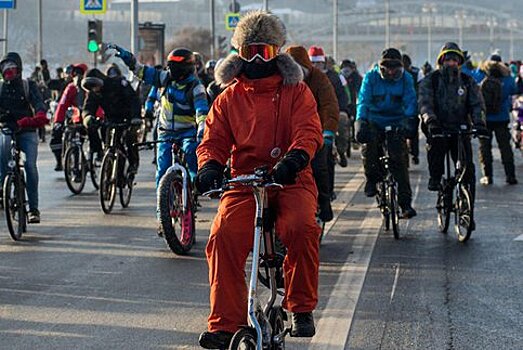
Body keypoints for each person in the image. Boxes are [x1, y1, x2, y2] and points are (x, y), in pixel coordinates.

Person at [195, 11, 323, 349]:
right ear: (237, 53)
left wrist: (295, 158)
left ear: (277, 52)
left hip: (290, 179)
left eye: (263, 52)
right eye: (248, 51)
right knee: (222, 236)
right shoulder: (228, 98)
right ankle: (226, 323)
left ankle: (300, 306)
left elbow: (308, 130)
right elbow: (214, 139)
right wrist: (209, 166)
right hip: (245, 181)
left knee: (301, 227)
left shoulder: (296, 91)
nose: (255, 59)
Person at [110, 45, 209, 187]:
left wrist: (202, 130)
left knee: (191, 154)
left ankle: (194, 187)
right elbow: (142, 71)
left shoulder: (196, 87)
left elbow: (202, 111)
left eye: (175, 66)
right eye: (170, 66)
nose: (171, 70)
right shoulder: (164, 78)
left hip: (188, 133)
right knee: (162, 170)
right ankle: (161, 207)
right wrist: (129, 59)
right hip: (165, 132)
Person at [419, 42, 487, 229]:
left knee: (468, 171)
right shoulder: (431, 80)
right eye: (448, 59)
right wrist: (430, 121)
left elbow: (477, 104)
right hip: (438, 127)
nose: (451, 63)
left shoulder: (467, 81)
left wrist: (480, 123)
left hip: (460, 128)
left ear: (460, 62)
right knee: (436, 152)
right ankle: (436, 179)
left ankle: (467, 211)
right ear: (441, 61)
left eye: (454, 59)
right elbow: (425, 102)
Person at [355, 47, 418, 219]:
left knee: (400, 161)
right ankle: (371, 180)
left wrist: (410, 121)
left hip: (396, 121)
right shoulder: (371, 77)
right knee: (370, 147)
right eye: (387, 68)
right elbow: (363, 101)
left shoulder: (406, 79)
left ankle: (405, 204)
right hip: (375, 120)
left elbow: (410, 101)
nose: (391, 72)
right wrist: (361, 122)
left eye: (394, 68)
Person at [286, 44, 339, 222]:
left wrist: (329, 132)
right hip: (289, 134)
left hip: (315, 130)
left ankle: (324, 202)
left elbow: (329, 106)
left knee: (319, 165)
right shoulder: (282, 81)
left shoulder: (319, 79)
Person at [0, 52, 48, 223]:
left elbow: (38, 103)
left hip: (27, 129)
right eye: (5, 67)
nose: (8, 71)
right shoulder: (0, 88)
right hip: (7, 129)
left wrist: (40, 114)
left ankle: (33, 208)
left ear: (19, 69)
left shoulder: (29, 85)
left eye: (11, 67)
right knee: (3, 156)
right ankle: (3, 190)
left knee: (30, 165)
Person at [81, 68, 142, 173]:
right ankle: (107, 162)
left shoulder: (118, 83)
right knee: (107, 141)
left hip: (128, 118)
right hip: (110, 119)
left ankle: (133, 163)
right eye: (91, 87)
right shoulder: (93, 93)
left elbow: (134, 100)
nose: (95, 89)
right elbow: (88, 107)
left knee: (129, 138)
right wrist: (87, 117)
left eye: (95, 85)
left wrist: (135, 117)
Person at [308, 46, 348, 195]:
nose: (315, 66)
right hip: (308, 122)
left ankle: (328, 192)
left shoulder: (333, 77)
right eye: (312, 63)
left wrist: (343, 111)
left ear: (323, 63)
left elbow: (342, 97)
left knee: (327, 156)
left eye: (317, 63)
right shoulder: (302, 77)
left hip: (327, 120)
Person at [50, 63, 104, 171]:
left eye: (80, 73)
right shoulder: (71, 88)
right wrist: (58, 122)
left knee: (93, 132)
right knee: (69, 139)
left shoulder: (91, 86)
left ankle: (98, 153)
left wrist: (94, 118)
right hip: (76, 119)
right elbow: (62, 105)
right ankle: (66, 163)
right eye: (75, 73)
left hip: (89, 118)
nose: (78, 76)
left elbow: (97, 107)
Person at [476, 54, 518, 185]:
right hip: (502, 118)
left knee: (485, 148)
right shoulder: (507, 79)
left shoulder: (482, 76)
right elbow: (514, 90)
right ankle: (510, 175)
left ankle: (487, 176)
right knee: (505, 148)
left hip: (486, 118)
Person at [402, 54, 422, 165]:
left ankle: (415, 153)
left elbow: (421, 91)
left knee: (413, 131)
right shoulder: (393, 74)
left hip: (412, 106)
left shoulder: (417, 74)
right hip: (399, 109)